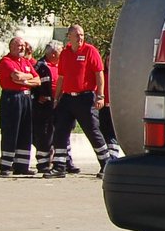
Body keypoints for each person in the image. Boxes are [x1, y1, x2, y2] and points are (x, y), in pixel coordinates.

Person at [51, 24, 121, 177]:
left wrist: (100, 95)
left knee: (93, 131)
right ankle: (59, 166)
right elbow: (61, 77)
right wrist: (57, 98)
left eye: (82, 35)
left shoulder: (90, 51)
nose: (80, 38)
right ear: (69, 36)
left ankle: (106, 164)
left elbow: (99, 74)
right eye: (77, 35)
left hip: (86, 97)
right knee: (60, 131)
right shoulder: (65, 53)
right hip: (68, 98)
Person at [0, 37, 40, 175]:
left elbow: (38, 80)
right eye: (18, 46)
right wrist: (27, 78)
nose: (21, 48)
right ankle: (6, 166)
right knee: (11, 130)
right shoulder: (6, 61)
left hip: (26, 98)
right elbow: (16, 76)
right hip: (12, 98)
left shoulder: (26, 62)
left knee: (25, 131)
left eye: (23, 46)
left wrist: (25, 80)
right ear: (11, 47)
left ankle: (22, 166)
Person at [32, 41, 60, 175]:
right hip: (44, 106)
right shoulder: (40, 66)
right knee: (44, 135)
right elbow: (33, 84)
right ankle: (42, 163)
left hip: (58, 104)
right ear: (53, 53)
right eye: (61, 50)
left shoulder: (62, 64)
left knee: (59, 134)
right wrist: (38, 96)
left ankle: (61, 162)